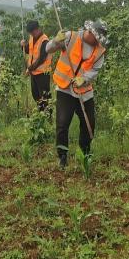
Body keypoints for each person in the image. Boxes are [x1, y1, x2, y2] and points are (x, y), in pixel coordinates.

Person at [46, 20, 107, 168]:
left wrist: (84, 79)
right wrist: (55, 41)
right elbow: (48, 49)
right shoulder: (69, 37)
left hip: (84, 92)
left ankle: (85, 153)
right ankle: (62, 156)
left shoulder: (99, 51)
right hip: (65, 89)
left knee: (89, 124)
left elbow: (95, 70)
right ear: (89, 32)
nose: (97, 41)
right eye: (96, 37)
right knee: (62, 124)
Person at [20, 20, 52, 111]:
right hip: (34, 73)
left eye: (32, 32)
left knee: (45, 96)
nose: (31, 34)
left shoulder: (45, 41)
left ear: (37, 29)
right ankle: (40, 113)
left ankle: (47, 116)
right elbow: (28, 50)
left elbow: (41, 59)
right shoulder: (31, 37)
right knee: (36, 95)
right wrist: (23, 45)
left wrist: (29, 69)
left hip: (43, 74)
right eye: (30, 33)